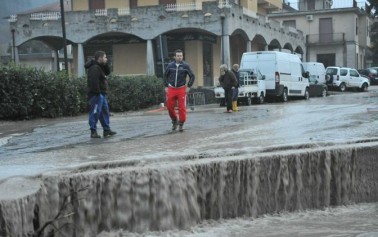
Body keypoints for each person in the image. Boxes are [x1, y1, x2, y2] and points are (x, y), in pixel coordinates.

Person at [85, 50, 117, 138]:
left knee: (104, 111)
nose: (106, 59)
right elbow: (93, 81)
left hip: (101, 94)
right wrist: (97, 93)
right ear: (100, 58)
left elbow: (107, 72)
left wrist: (105, 63)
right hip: (96, 95)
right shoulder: (94, 68)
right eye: (105, 57)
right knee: (95, 112)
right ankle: (93, 131)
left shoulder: (100, 66)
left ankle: (106, 130)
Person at [164, 49, 195, 131]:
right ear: (175, 57)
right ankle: (174, 120)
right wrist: (166, 86)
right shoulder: (170, 65)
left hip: (181, 89)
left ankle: (181, 123)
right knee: (169, 106)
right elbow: (165, 76)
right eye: (178, 56)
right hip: (171, 88)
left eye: (181, 56)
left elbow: (192, 76)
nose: (179, 57)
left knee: (182, 108)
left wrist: (189, 86)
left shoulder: (185, 66)